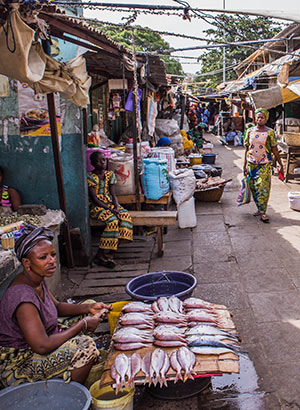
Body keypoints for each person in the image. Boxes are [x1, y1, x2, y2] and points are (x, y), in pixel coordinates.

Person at [0, 225, 111, 388]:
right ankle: (69, 393)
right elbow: (42, 346)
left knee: (86, 307)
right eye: (43, 257)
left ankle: (72, 367)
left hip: (43, 336)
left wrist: (90, 308)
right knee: (86, 347)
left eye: (52, 255)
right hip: (20, 363)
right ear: (27, 262)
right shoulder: (23, 298)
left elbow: (57, 307)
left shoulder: (36, 277)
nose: (51, 260)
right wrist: (83, 325)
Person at [88, 152, 133, 268]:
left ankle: (111, 254)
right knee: (112, 221)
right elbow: (94, 199)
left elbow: (113, 195)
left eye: (104, 160)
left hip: (110, 204)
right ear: (93, 163)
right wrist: (110, 210)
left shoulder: (110, 175)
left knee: (125, 217)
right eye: (98, 161)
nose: (102, 163)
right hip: (97, 206)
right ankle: (100, 254)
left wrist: (116, 207)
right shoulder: (90, 177)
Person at [243, 108, 284, 223]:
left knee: (262, 187)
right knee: (253, 187)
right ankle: (259, 208)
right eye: (258, 117)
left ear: (266, 119)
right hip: (251, 164)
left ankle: (263, 212)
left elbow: (275, 150)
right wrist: (244, 165)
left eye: (262, 117)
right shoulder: (249, 131)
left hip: (264, 164)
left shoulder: (270, 132)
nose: (259, 119)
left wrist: (280, 163)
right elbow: (247, 148)